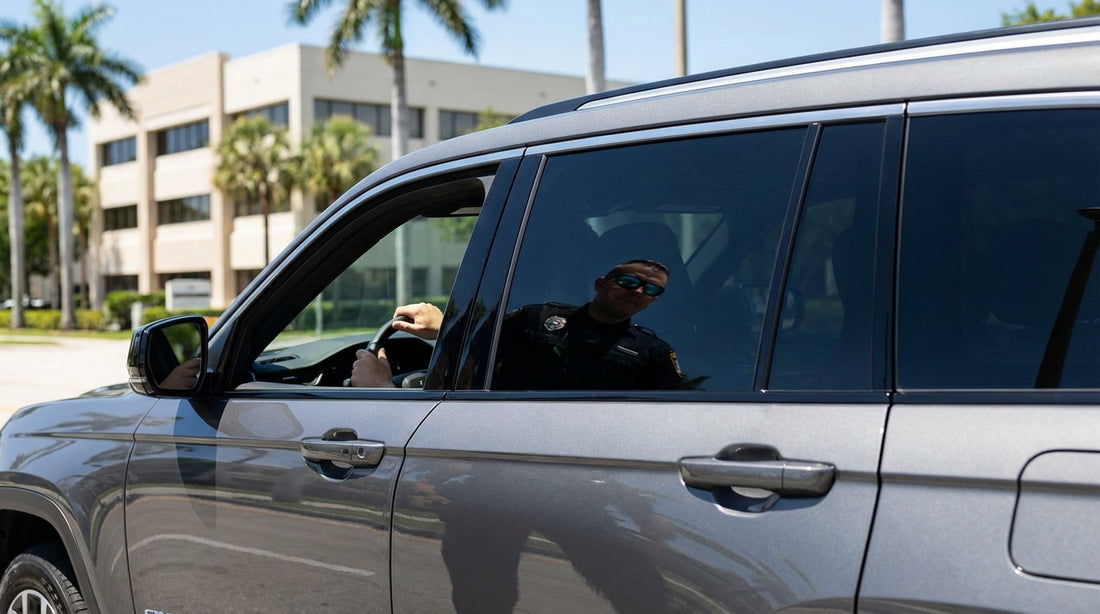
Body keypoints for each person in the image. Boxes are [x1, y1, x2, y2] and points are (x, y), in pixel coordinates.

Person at [350, 259, 682, 390]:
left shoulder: (653, 353)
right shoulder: (535, 318)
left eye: (652, 290)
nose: (639, 291)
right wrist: (445, 326)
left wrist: (381, 390)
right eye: (629, 281)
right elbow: (480, 340)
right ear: (600, 282)